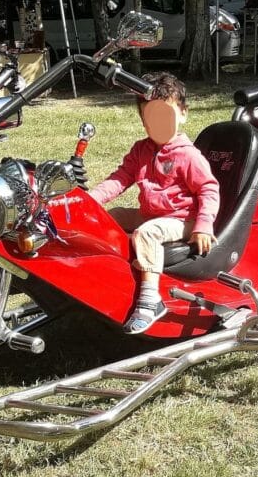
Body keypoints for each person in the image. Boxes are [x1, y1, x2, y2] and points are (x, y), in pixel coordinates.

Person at [89, 72, 220, 334]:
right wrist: (90, 199)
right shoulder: (141, 150)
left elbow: (209, 189)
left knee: (148, 233)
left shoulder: (188, 155)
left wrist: (203, 226)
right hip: (152, 213)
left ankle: (150, 301)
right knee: (112, 215)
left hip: (183, 218)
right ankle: (108, 269)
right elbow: (120, 178)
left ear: (183, 113)